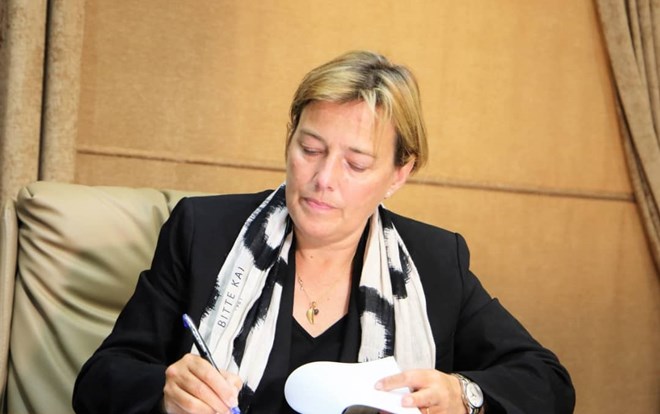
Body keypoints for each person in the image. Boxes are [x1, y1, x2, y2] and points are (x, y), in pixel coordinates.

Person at [72, 50, 575, 414]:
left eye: (356, 163)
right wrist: (163, 393)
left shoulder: (435, 261)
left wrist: (463, 396)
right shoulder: (204, 232)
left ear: (399, 173)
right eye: (310, 149)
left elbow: (546, 381)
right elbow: (100, 379)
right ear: (289, 139)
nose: (323, 178)